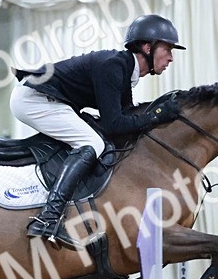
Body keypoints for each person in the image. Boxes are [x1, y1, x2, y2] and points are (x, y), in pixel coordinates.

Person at [10, 14, 185, 246]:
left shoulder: (124, 69)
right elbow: (114, 125)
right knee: (92, 143)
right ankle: (48, 218)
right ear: (147, 47)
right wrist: (157, 116)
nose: (171, 57)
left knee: (95, 139)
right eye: (168, 49)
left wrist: (156, 114)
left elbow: (126, 117)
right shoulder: (113, 66)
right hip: (34, 99)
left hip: (49, 99)